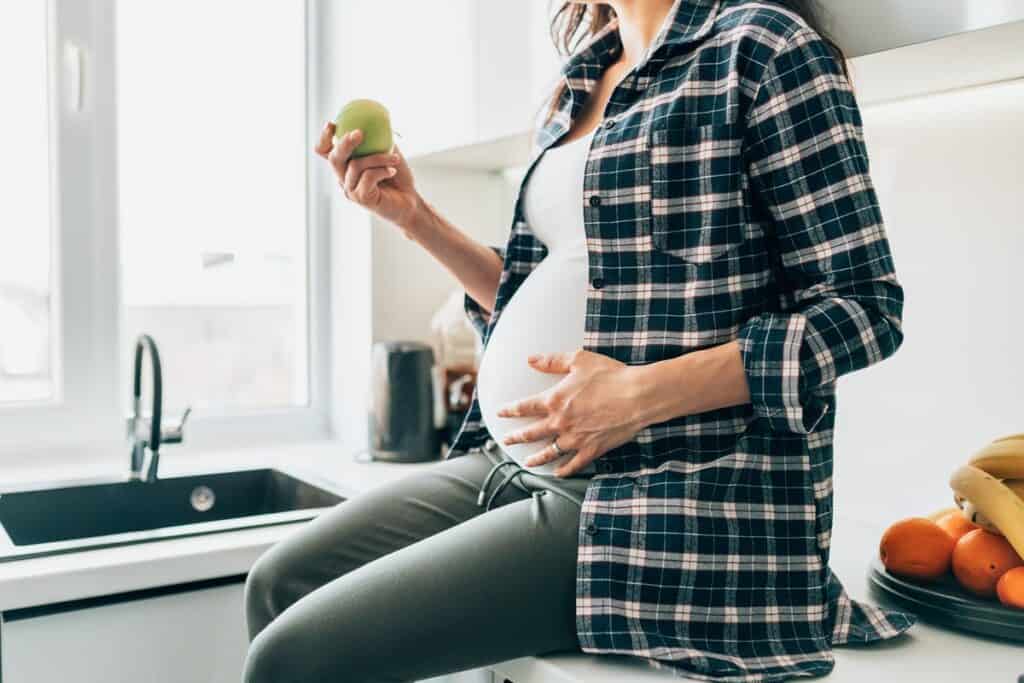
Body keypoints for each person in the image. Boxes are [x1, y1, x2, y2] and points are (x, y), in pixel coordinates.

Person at [243, 1, 917, 681]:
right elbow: (535, 290)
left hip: (656, 495)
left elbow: (863, 308)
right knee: (275, 583)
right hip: (516, 460)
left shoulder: (763, 48)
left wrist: (637, 396)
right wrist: (412, 215)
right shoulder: (585, 78)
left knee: (289, 658)